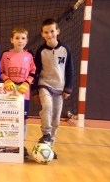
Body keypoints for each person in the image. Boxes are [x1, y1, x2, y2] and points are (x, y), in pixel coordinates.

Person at [32, 19, 74, 159]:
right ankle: (46, 134)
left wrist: (68, 88)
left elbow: (69, 69)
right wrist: (35, 90)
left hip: (59, 87)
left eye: (52, 31)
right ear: (42, 34)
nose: (49, 34)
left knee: (56, 119)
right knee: (47, 106)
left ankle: (49, 146)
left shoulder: (65, 49)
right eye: (46, 32)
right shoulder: (41, 51)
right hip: (45, 84)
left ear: (58, 31)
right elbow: (36, 71)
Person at [0, 27, 36, 159]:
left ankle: (21, 145)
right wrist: (7, 80)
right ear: (11, 40)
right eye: (17, 38)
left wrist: (27, 83)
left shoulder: (29, 56)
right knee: (7, 119)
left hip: (23, 94)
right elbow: (0, 71)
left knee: (22, 121)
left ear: (26, 41)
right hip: (8, 93)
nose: (20, 41)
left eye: (23, 38)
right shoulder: (5, 55)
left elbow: (33, 72)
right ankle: (7, 144)